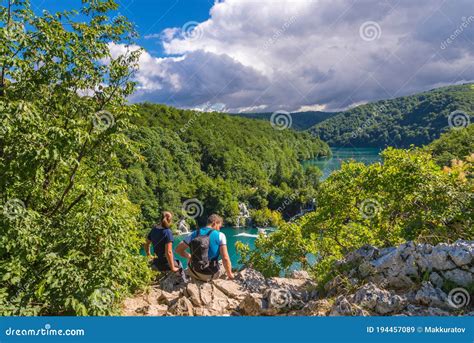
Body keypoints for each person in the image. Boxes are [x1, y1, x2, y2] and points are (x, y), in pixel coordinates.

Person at [176, 214, 234, 281]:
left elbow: (178, 250)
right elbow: (225, 258)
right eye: (219, 227)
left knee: (189, 260)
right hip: (210, 275)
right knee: (222, 264)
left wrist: (190, 256)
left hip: (195, 272)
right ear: (214, 223)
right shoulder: (220, 235)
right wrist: (230, 274)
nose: (219, 229)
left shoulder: (193, 233)